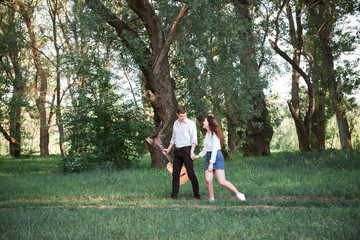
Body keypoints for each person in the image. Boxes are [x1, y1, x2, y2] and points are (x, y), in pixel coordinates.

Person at [194, 116, 246, 202]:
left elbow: (214, 150)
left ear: (209, 123)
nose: (203, 122)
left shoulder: (214, 135)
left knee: (222, 181)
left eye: (205, 121)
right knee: (208, 179)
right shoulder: (207, 134)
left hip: (217, 157)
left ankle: (239, 194)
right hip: (209, 157)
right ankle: (212, 198)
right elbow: (206, 148)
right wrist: (199, 155)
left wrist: (211, 163)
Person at [163, 106, 200, 200]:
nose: (183, 118)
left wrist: (191, 152)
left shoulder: (191, 124)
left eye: (184, 115)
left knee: (190, 173)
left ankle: (197, 195)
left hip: (187, 150)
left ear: (186, 113)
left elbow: (194, 140)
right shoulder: (175, 123)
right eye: (181, 116)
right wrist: (168, 149)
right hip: (177, 151)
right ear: (177, 115)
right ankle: (174, 196)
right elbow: (173, 138)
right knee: (175, 174)